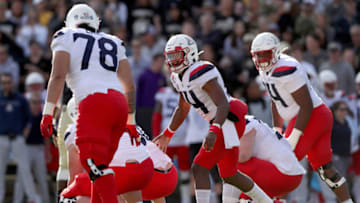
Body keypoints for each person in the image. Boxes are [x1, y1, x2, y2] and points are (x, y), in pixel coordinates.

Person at [154, 34, 273, 203]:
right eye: (170, 57)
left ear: (190, 54)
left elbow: (223, 104)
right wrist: (168, 133)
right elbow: (183, 107)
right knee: (230, 175)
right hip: (222, 119)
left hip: (228, 117)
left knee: (199, 166)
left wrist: (214, 130)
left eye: (176, 56)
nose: (173, 61)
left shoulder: (199, 71)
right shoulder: (177, 77)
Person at [40, 4, 139, 203]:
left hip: (92, 103)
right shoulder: (113, 41)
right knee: (99, 170)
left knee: (94, 164)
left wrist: (47, 112)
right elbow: (129, 87)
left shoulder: (65, 35)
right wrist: (131, 121)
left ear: (69, 22)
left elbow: (58, 76)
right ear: (96, 23)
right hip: (119, 104)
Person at [251, 32, 353, 203]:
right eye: (257, 55)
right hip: (310, 116)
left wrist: (293, 136)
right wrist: (277, 129)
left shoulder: (287, 68)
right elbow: (275, 100)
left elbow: (306, 105)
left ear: (275, 52)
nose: (261, 59)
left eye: (265, 54)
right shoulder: (267, 70)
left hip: (312, 116)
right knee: (325, 169)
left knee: (282, 163)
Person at [223, 115, 305, 202]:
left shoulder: (246, 124)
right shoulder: (244, 121)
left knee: (231, 165)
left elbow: (243, 156)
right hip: (286, 173)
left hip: (285, 174)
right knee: (245, 195)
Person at [0, 73, 40, 203]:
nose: (7, 85)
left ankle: (32, 197)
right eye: (4, 82)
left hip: (17, 138)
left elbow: (28, 119)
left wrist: (25, 133)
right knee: (0, 170)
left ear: (13, 83)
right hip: (2, 138)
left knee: (25, 169)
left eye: (9, 82)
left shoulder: (20, 99)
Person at [152, 85, 191, 203]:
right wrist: (155, 135)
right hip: (167, 140)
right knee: (162, 172)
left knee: (185, 173)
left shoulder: (186, 93)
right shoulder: (164, 93)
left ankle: (186, 200)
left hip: (184, 139)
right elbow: (157, 116)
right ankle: (165, 199)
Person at [14, 92, 50, 203]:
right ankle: (17, 200)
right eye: (34, 102)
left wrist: (48, 152)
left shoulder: (42, 118)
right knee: (21, 179)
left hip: (39, 149)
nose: (37, 105)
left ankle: (46, 201)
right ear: (29, 103)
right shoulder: (24, 117)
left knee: (42, 178)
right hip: (25, 149)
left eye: (39, 102)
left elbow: (46, 137)